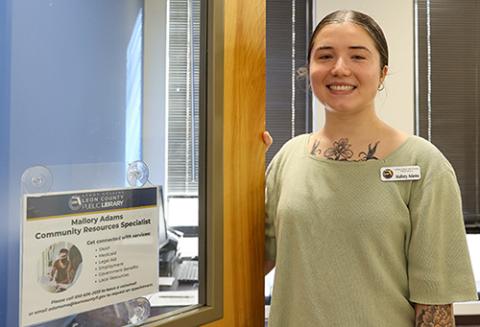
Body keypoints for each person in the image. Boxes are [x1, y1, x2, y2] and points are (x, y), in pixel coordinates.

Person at [264, 10, 478, 327]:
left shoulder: (424, 165)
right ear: (309, 69)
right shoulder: (288, 157)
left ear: (382, 73)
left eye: (358, 56)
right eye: (325, 56)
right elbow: (254, 264)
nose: (339, 68)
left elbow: (434, 307)